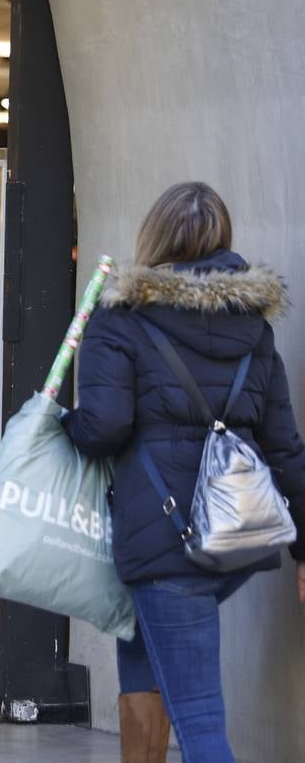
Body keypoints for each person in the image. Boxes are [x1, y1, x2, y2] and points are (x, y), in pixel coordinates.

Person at [63, 182, 305, 763]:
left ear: (155, 237)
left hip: (166, 541)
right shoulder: (255, 329)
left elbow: (104, 428)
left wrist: (56, 425)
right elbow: (285, 446)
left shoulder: (119, 318)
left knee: (198, 719)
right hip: (237, 537)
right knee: (142, 664)